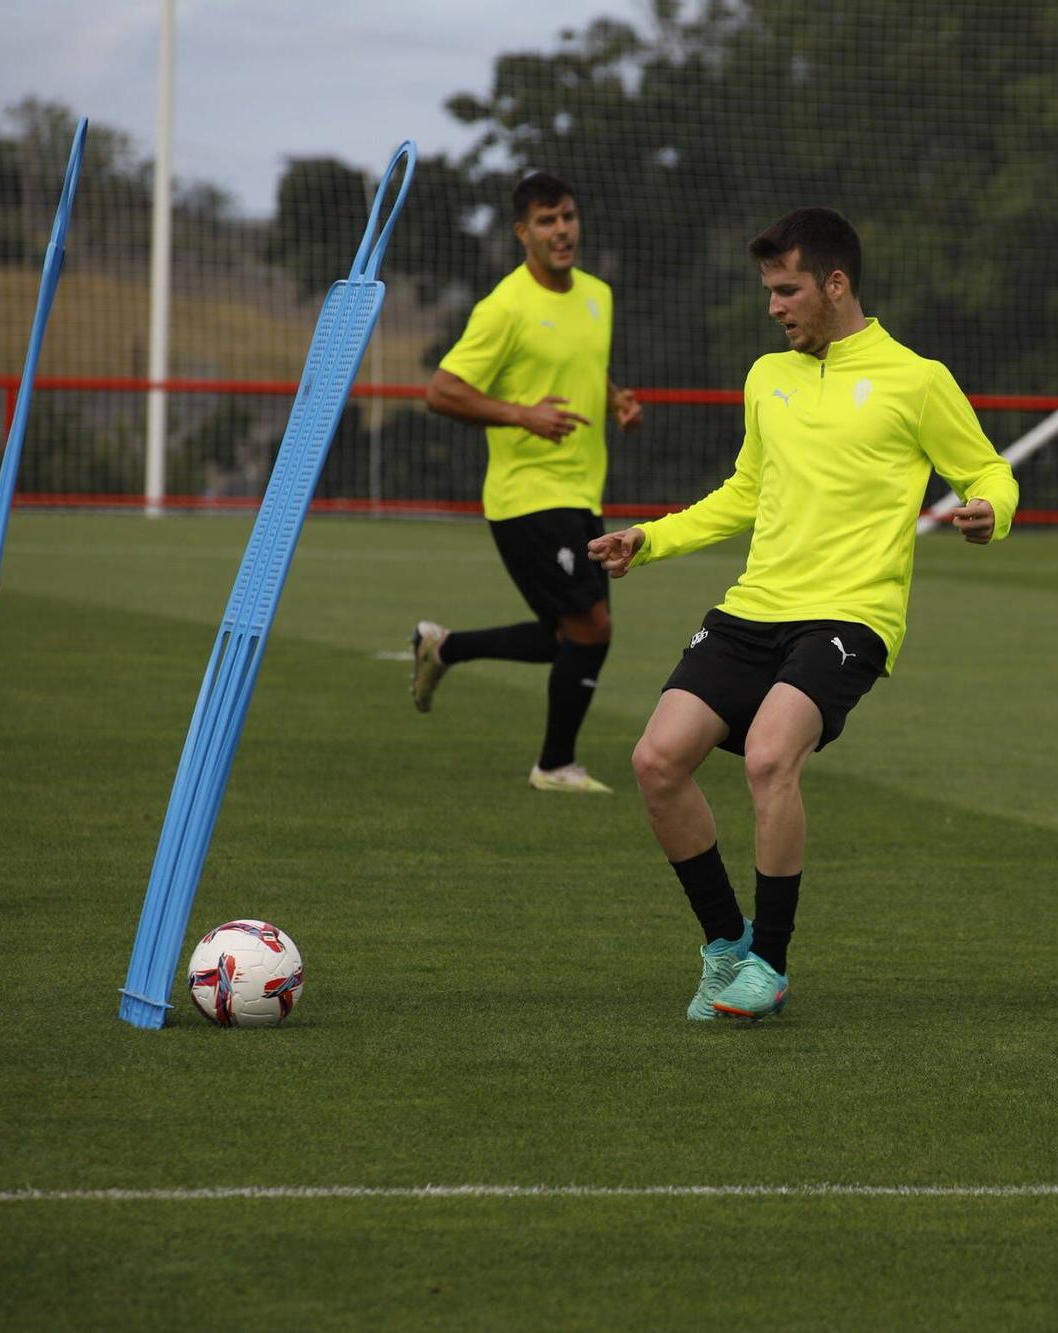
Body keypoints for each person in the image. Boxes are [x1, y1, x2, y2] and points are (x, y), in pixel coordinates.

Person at [587, 207, 1017, 1021]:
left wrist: (992, 508)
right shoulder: (766, 377)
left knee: (769, 757)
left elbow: (988, 468)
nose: (775, 306)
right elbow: (745, 492)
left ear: (836, 283)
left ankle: (772, 966)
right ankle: (725, 947)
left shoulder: (916, 379)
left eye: (787, 290)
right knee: (655, 760)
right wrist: (650, 539)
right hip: (756, 606)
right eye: (769, 291)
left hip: (851, 616)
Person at [415, 171, 642, 793]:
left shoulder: (598, 294)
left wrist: (617, 397)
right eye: (546, 221)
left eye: (567, 216)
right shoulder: (505, 306)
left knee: (570, 636)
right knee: (591, 629)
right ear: (522, 233)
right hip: (526, 497)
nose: (562, 230)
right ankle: (554, 765)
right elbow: (442, 390)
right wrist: (523, 414)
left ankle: (446, 648)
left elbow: (583, 368)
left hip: (580, 491)